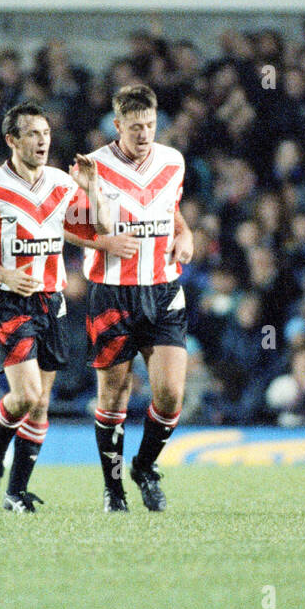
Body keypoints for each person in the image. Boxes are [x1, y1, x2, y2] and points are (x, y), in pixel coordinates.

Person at [0, 102, 132, 512]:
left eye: (45, 133)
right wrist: (4, 273)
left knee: (41, 402)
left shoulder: (60, 183)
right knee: (27, 394)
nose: (42, 141)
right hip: (9, 299)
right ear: (11, 140)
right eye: (32, 134)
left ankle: (15, 492)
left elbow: (102, 228)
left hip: (52, 300)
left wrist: (89, 188)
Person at [83, 84, 194, 512]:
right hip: (113, 294)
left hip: (164, 290)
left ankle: (144, 467)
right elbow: (71, 226)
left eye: (149, 125)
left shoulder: (172, 160)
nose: (144, 133)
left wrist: (186, 235)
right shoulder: (94, 166)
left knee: (169, 394)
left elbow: (174, 213)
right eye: (134, 127)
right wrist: (104, 242)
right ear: (117, 125)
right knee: (114, 395)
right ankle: (113, 492)